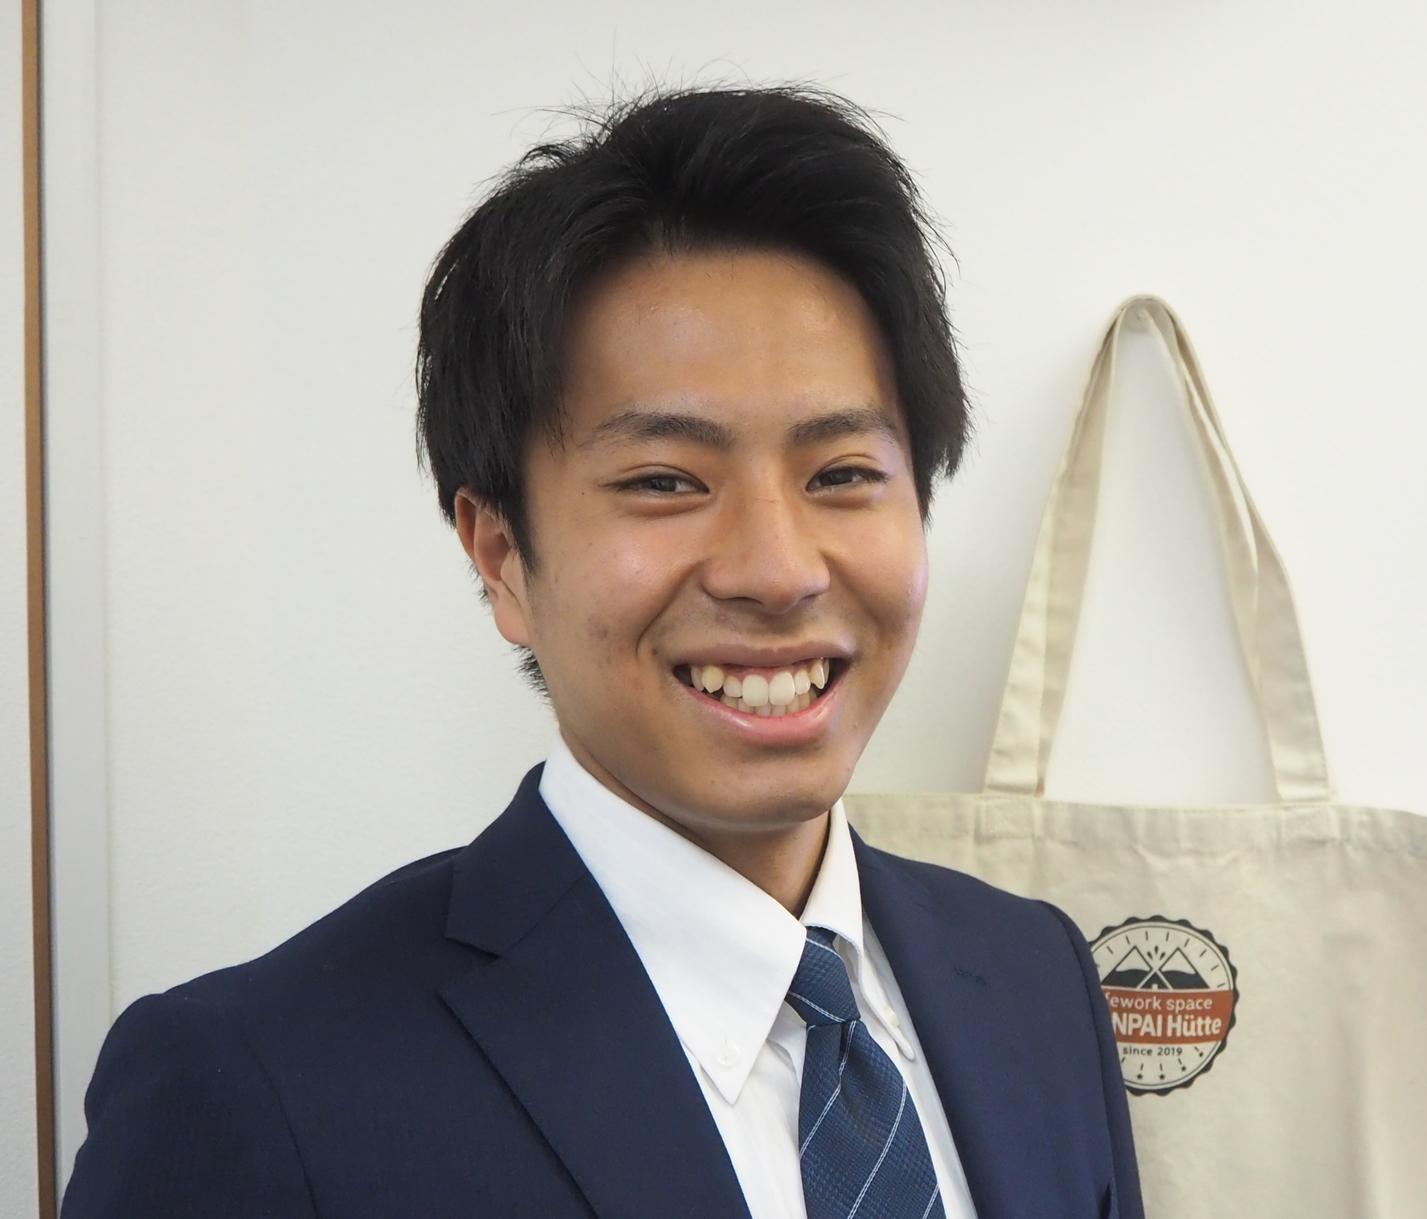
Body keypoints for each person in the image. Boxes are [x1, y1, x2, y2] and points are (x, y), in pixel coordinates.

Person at [60, 84, 1144, 1218]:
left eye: (841, 474)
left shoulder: (1035, 980)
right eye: (666, 481)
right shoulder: (257, 1088)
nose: (777, 569)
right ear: (501, 557)